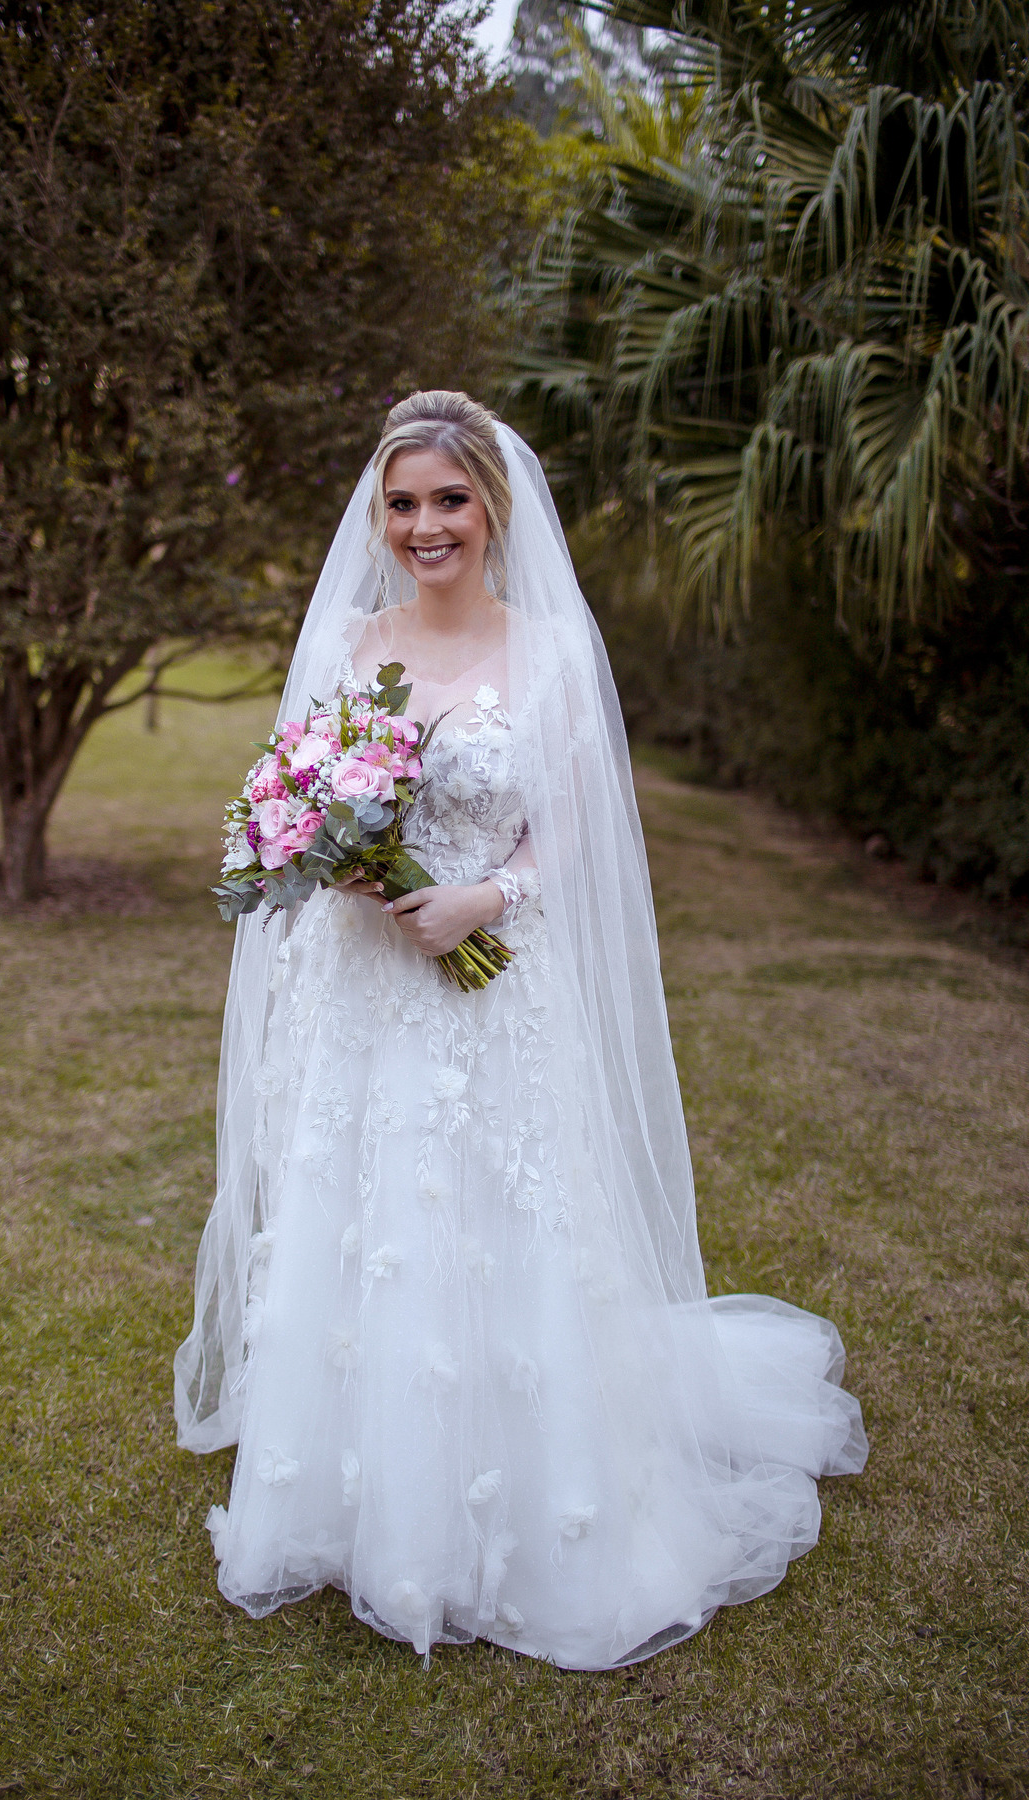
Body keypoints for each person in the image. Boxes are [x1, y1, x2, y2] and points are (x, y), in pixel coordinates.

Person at [174, 391, 867, 1670]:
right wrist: (346, 869)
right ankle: (351, 1486)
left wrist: (486, 899)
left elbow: (577, 827)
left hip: (493, 984)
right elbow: (296, 799)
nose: (424, 525)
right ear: (379, 519)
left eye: (448, 499)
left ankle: (532, 1489)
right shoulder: (348, 641)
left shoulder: (548, 652)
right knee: (365, 1214)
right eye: (402, 503)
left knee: (500, 1213)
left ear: (493, 507)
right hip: (363, 985)